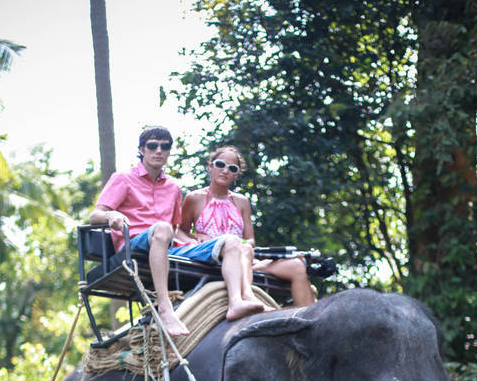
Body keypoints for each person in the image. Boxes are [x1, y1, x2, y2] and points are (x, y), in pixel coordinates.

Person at [89, 127, 265, 335]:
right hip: (135, 244)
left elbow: (176, 230)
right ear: (142, 150)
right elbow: (95, 215)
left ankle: (236, 301)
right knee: (162, 229)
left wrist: (193, 238)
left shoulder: (173, 187)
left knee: (232, 241)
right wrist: (112, 216)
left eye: (165, 147)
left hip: (168, 247)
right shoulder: (124, 178)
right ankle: (165, 308)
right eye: (153, 145)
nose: (158, 151)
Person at [181, 146, 316, 308]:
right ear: (210, 166)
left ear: (237, 174)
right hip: (211, 260)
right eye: (220, 164)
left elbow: (250, 239)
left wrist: (245, 245)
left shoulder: (242, 201)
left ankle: (309, 323)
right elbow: (180, 231)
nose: (225, 171)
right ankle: (246, 295)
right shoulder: (194, 198)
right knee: (242, 248)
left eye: (232, 168)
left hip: (244, 259)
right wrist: (196, 237)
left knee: (297, 266)